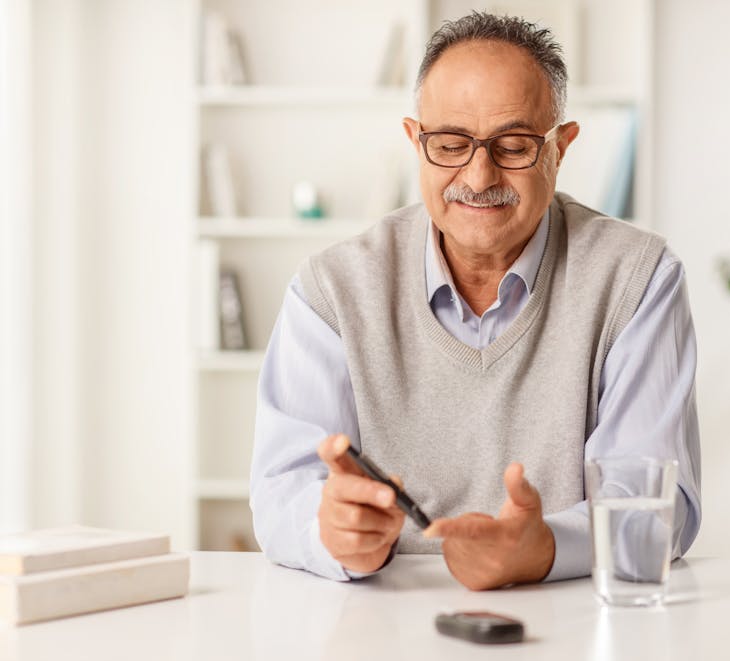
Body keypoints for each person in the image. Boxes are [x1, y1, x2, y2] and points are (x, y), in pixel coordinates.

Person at [250, 12, 701, 591]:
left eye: (513, 146)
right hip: (378, 620)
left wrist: (545, 550)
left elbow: (655, 507)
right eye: (450, 144)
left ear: (559, 150)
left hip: (577, 617)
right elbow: (281, 491)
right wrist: (332, 533)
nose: (479, 173)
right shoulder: (333, 289)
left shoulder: (639, 279)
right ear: (417, 142)